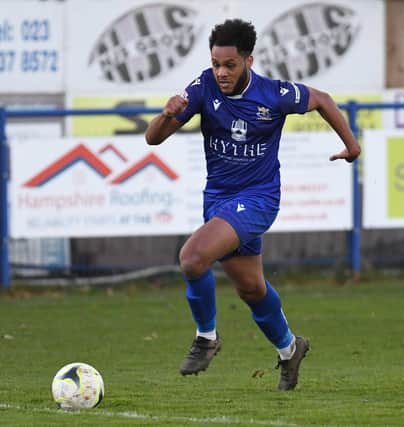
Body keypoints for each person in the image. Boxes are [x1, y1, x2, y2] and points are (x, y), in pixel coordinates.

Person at [145, 19, 360, 391]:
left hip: (259, 198)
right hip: (219, 200)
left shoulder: (273, 94)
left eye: (229, 64)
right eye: (215, 63)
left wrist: (352, 146)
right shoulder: (203, 87)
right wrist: (167, 113)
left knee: (193, 257)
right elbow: (153, 139)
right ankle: (290, 349)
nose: (221, 72)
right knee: (251, 290)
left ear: (249, 60)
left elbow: (322, 100)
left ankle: (206, 337)